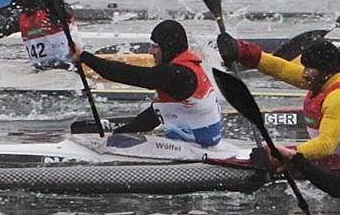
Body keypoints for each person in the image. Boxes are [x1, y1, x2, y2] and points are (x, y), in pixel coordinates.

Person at [216, 36, 340, 158]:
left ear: (326, 71)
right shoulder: (323, 79)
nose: (305, 74)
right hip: (334, 157)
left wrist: (281, 155)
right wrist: (244, 52)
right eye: (305, 67)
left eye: (310, 69)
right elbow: (281, 69)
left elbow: (325, 146)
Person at [72, 20, 226, 147]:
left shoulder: (177, 74)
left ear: (168, 46)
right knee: (102, 135)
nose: (151, 52)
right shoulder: (186, 68)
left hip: (196, 145)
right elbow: (154, 116)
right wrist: (119, 133)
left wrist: (84, 56)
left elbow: (126, 74)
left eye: (155, 46)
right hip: (202, 140)